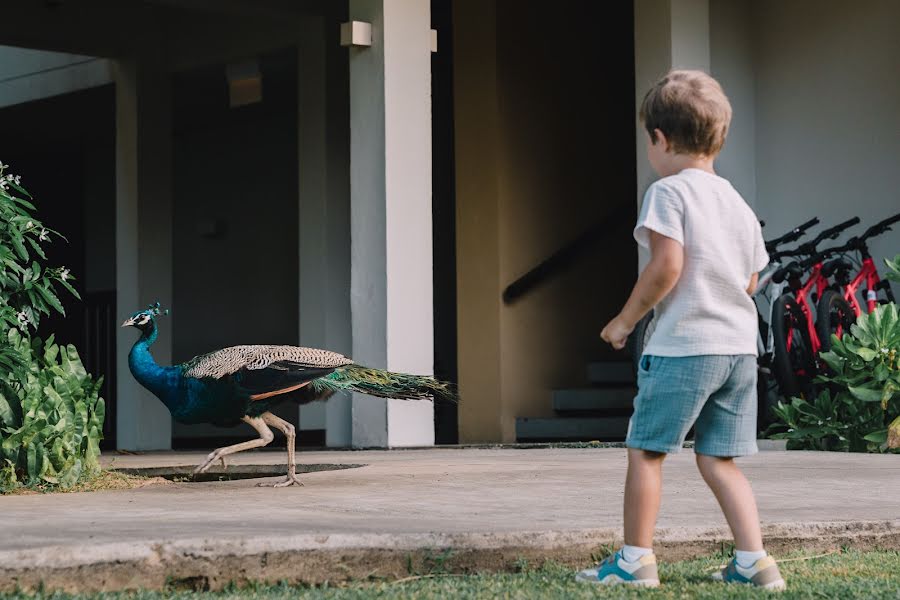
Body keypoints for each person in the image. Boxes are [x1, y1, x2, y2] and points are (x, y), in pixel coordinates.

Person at [575, 70, 785, 591]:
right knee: (720, 459)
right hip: (739, 351)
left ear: (660, 139)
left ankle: (634, 561)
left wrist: (625, 321)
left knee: (646, 450)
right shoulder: (734, 200)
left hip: (687, 347)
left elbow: (666, 266)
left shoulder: (668, 192)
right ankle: (753, 562)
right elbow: (754, 275)